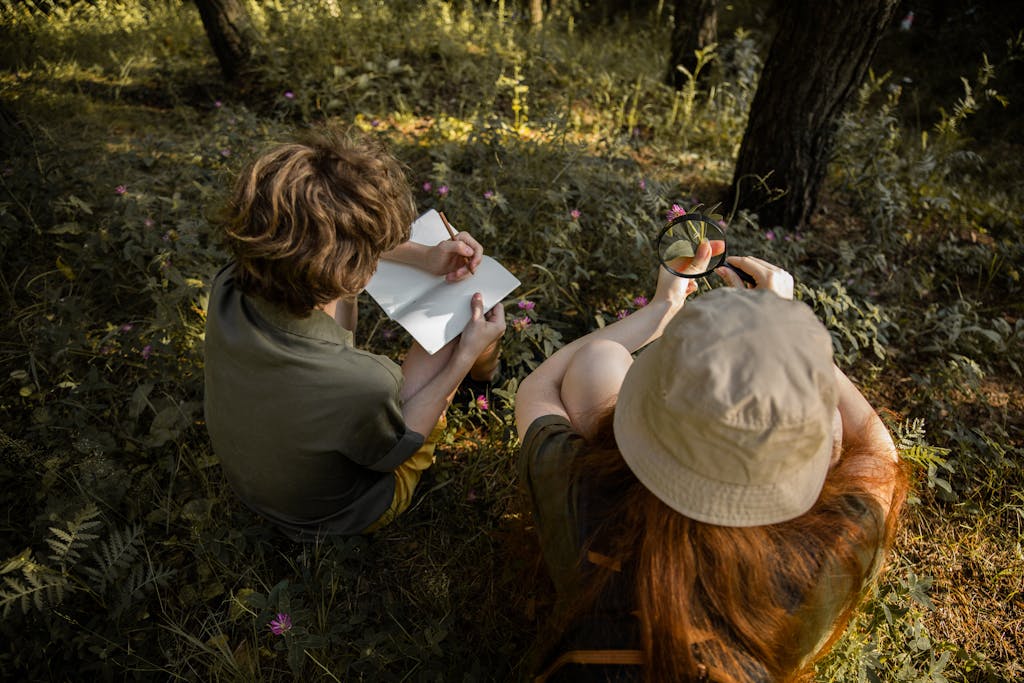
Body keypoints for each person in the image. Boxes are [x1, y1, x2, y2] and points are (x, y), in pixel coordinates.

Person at [515, 242, 907, 682]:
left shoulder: (582, 496)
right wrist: (781, 340)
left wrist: (664, 308)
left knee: (598, 364)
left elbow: (538, 389)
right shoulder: (815, 558)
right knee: (834, 423)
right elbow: (878, 453)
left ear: (643, 425)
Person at [204, 128, 505, 540]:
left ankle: (480, 373)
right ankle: (482, 379)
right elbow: (394, 452)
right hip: (335, 516)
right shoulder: (364, 382)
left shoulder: (229, 283)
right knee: (463, 321)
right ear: (345, 270)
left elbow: (321, 238)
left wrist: (423, 257)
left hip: (257, 480)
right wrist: (464, 358)